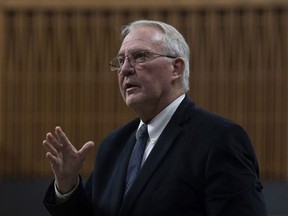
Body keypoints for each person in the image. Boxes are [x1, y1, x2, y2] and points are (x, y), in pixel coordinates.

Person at [43, 19, 267, 216]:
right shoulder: (114, 145)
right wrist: (67, 185)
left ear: (176, 68)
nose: (125, 69)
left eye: (140, 56)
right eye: (120, 61)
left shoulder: (218, 139)